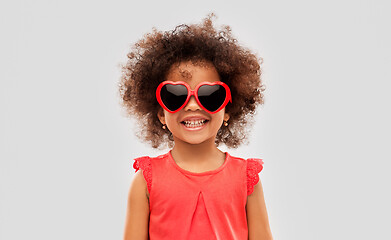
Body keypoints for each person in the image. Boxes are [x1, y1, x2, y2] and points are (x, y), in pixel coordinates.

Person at [119, 13, 273, 240]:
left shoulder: (246, 178)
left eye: (209, 95)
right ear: (161, 113)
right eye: (175, 95)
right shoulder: (145, 180)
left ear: (228, 109)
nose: (192, 105)